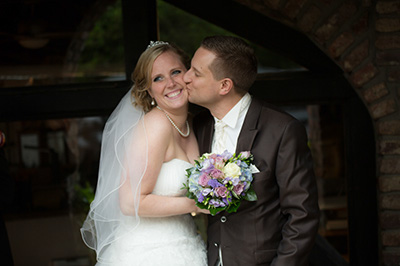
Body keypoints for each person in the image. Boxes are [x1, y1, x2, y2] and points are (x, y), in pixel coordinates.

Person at [183, 35, 320, 266]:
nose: (185, 77)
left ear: (225, 85)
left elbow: (302, 216)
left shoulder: (283, 130)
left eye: (196, 73)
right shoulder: (199, 126)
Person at [80, 41, 207, 266]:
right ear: (149, 90)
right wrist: (195, 204)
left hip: (186, 245)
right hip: (149, 253)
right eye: (158, 78)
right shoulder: (156, 125)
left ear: (188, 74)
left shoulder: (191, 124)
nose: (170, 83)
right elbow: (130, 202)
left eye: (175, 72)